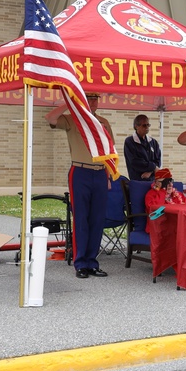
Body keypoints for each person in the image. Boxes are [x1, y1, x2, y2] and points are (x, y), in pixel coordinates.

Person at [46, 93, 114, 279]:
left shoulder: (103, 122)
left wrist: (107, 176)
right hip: (80, 171)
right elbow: (50, 118)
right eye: (89, 98)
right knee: (81, 219)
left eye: (95, 98)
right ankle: (80, 262)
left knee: (97, 219)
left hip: (100, 172)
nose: (93, 102)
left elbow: (108, 151)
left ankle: (92, 262)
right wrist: (69, 103)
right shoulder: (72, 119)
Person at [124, 113, 161, 181]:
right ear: (136, 126)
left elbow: (158, 160)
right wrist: (153, 167)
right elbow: (135, 162)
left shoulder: (153, 142)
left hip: (153, 181)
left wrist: (150, 171)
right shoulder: (130, 142)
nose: (147, 127)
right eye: (144, 125)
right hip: (138, 180)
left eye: (148, 125)